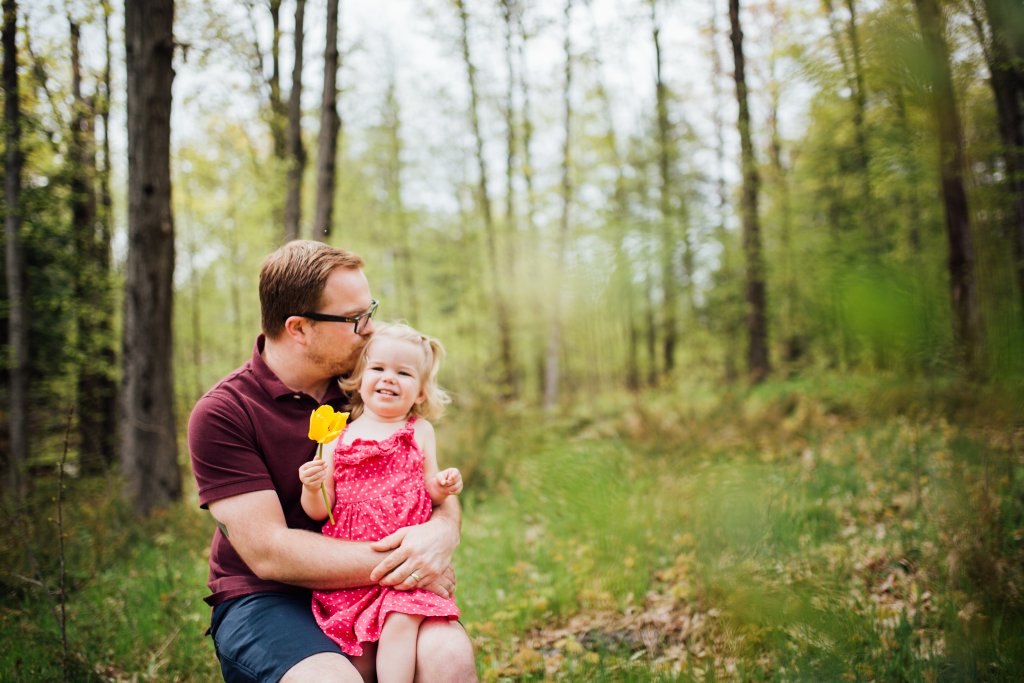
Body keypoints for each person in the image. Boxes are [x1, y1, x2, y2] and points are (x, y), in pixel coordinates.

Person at [188, 240, 477, 683]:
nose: (369, 328)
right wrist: (408, 562)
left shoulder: (369, 383)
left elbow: (425, 476)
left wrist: (441, 533)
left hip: (376, 587)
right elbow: (270, 553)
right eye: (354, 318)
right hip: (267, 598)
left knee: (448, 658)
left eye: (370, 310)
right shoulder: (225, 413)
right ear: (299, 328)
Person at [299, 322, 464, 683]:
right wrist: (311, 486)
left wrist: (445, 484)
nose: (389, 378)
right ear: (359, 378)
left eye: (403, 373)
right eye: (379, 369)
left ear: (420, 392)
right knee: (360, 657)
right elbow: (318, 509)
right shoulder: (337, 432)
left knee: (399, 623)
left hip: (405, 567)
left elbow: (431, 491)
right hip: (353, 566)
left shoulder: (418, 430)